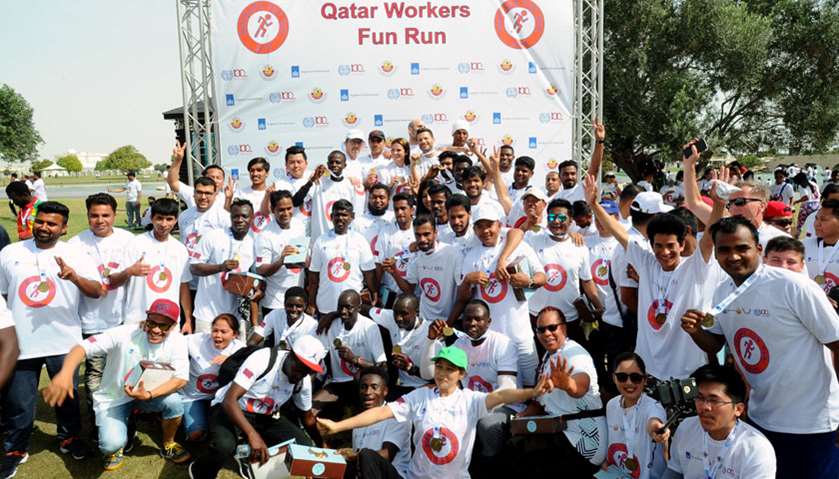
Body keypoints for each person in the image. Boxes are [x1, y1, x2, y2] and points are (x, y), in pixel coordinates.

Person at [682, 216, 839, 478]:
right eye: (724, 249)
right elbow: (716, 342)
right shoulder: (722, 291)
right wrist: (695, 331)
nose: (733, 256)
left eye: (741, 248)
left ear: (758, 249)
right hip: (760, 418)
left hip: (811, 423)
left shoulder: (794, 286)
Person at [317, 345, 553, 479]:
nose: (442, 373)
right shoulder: (420, 396)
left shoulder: (471, 401)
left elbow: (501, 396)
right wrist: (337, 426)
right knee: (367, 457)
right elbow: (379, 413)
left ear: (461, 374)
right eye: (439, 367)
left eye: (449, 369)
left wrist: (531, 392)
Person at [0, 202, 103, 477]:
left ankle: (69, 438)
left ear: (64, 228)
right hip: (20, 343)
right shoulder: (10, 252)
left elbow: (97, 290)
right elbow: (3, 294)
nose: (44, 227)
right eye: (41, 221)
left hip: (63, 341)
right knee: (18, 400)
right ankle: (15, 449)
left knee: (67, 396)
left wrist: (75, 277)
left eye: (52, 223)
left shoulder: (75, 254)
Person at [42, 299, 192, 471]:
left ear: (173, 326)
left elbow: (181, 379)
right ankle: (122, 431)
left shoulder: (178, 341)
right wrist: (65, 373)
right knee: (110, 446)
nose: (156, 330)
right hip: (114, 397)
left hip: (148, 395)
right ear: (146, 318)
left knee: (174, 403)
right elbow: (81, 348)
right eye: (152, 322)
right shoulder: (125, 332)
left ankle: (168, 444)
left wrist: (149, 395)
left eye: (163, 325)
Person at [189, 335, 326, 479]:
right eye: (300, 367)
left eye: (308, 370)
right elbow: (229, 400)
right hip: (232, 409)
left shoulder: (302, 380)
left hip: (264, 415)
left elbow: (307, 417)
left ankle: (253, 466)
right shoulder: (263, 359)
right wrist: (252, 434)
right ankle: (200, 471)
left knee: (303, 447)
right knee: (224, 446)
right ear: (290, 354)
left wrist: (321, 447)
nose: (301, 374)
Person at [506, 307, 607, 477]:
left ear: (564, 328)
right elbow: (540, 403)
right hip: (559, 432)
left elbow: (580, 386)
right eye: (541, 329)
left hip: (584, 442)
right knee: (512, 443)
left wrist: (568, 384)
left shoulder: (575, 354)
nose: (547, 333)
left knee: (522, 454)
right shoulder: (549, 356)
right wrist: (521, 418)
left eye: (552, 327)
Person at [453, 203, 546, 386]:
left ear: (499, 225)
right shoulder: (471, 256)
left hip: (520, 335)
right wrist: (468, 280)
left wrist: (528, 281)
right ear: (474, 229)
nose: (485, 231)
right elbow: (463, 298)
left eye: (490, 225)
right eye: (480, 226)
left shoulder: (518, 246)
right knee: (499, 388)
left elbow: (542, 277)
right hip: (489, 341)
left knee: (532, 385)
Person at [420, 300, 518, 467]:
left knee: (487, 425)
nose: (472, 323)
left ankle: (490, 465)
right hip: (469, 404)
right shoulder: (459, 345)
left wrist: (476, 408)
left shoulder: (502, 343)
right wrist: (430, 340)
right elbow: (427, 374)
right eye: (468, 319)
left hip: (504, 406)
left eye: (478, 319)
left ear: (489, 322)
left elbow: (507, 390)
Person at [68, 193, 136, 428]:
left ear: (114, 215)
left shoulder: (128, 240)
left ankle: (125, 422)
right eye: (94, 215)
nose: (100, 220)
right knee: (95, 375)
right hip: (91, 321)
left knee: (123, 372)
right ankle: (99, 423)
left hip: (123, 320)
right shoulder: (75, 244)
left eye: (105, 215)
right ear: (87, 215)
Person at [662, 365, 776, 479]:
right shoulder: (686, 428)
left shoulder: (756, 449)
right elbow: (673, 473)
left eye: (714, 400)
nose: (704, 407)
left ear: (738, 409)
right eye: (699, 397)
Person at [527, 198, 603, 346]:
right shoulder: (533, 241)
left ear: (571, 220)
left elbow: (586, 280)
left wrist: (598, 306)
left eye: (561, 218)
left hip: (569, 318)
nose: (556, 221)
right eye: (552, 217)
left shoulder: (580, 247)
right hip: (537, 316)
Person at [109, 198, 194, 327]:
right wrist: (130, 271)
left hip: (168, 322)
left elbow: (184, 286)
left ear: (176, 220)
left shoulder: (180, 249)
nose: (164, 224)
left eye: (169, 219)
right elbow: (113, 280)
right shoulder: (135, 243)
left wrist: (187, 319)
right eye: (159, 218)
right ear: (152, 218)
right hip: (137, 320)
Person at [314, 290, 387, 418]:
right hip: (338, 382)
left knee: (361, 415)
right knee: (310, 412)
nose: (343, 311)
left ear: (359, 308)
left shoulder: (369, 327)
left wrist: (355, 360)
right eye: (340, 307)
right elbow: (318, 355)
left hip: (362, 383)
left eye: (348, 307)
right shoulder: (331, 325)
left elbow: (382, 368)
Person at [189, 199, 255, 336]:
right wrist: (220, 267)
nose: (240, 220)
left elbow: (255, 275)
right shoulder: (213, 236)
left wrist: (255, 289)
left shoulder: (253, 242)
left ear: (252, 218)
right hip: (207, 313)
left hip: (236, 315)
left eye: (244, 216)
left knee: (238, 350)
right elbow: (194, 268)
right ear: (230, 217)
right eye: (235, 216)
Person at [335, 367, 410, 479]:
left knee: (365, 455)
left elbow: (387, 455)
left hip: (393, 475)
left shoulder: (397, 416)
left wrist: (354, 456)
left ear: (385, 391)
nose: (367, 392)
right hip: (366, 475)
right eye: (363, 387)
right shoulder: (359, 422)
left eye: (374, 387)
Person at [603, 352, 667, 479]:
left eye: (635, 377)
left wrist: (657, 429)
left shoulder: (654, 407)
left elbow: (654, 422)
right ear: (614, 378)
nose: (629, 383)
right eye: (622, 377)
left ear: (645, 379)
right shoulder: (611, 405)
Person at [307, 200, 377, 316]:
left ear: (352, 217)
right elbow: (313, 277)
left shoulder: (360, 240)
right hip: (326, 306)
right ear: (331, 217)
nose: (340, 218)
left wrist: (374, 293)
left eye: (344, 215)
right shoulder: (321, 241)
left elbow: (369, 273)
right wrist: (311, 303)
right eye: (337, 215)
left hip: (352, 306)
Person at [182, 314, 245, 442]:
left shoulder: (240, 349)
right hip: (193, 397)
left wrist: (230, 360)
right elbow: (174, 341)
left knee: (227, 433)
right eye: (215, 330)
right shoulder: (198, 340)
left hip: (220, 399)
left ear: (235, 334)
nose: (218, 335)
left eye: (224, 332)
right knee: (196, 435)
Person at [293, 150, 365, 242]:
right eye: (331, 162)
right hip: (320, 241)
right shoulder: (318, 182)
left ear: (345, 165)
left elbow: (354, 216)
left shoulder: (350, 185)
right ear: (327, 164)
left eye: (338, 162)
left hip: (343, 241)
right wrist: (312, 180)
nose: (334, 165)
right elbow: (295, 201)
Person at [367, 294, 433, 395]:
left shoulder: (430, 333)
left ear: (416, 311)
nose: (398, 318)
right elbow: (366, 310)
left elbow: (436, 375)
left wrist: (410, 368)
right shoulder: (390, 318)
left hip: (425, 387)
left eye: (404, 313)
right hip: (401, 386)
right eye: (395, 312)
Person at [254, 190, 306, 315]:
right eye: (281, 210)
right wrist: (281, 261)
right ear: (273, 209)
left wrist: (307, 260)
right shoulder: (265, 235)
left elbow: (302, 258)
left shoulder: (299, 225)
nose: (286, 213)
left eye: (289, 208)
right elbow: (261, 270)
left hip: (297, 298)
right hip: (274, 301)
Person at [400, 215, 461, 320]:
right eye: (418, 235)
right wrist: (393, 271)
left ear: (435, 232)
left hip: (449, 320)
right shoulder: (415, 257)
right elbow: (409, 289)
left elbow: (462, 296)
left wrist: (448, 324)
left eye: (426, 234)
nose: (422, 239)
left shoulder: (452, 254)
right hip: (424, 319)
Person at [377, 193, 416, 307]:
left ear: (412, 210)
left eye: (403, 208)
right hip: (390, 292)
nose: (399, 212)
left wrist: (397, 258)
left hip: (414, 293)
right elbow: (380, 263)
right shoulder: (386, 231)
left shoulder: (419, 229)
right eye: (396, 209)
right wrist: (375, 290)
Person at [250, 287, 317, 349]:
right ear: (284, 304)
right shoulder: (274, 315)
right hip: (277, 354)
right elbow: (255, 339)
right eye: (290, 305)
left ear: (305, 306)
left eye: (298, 306)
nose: (294, 309)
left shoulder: (312, 325)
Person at [168, 142, 226, 211]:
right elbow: (173, 182)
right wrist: (178, 160)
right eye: (212, 177)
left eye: (218, 178)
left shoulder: (227, 198)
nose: (215, 180)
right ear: (203, 177)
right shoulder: (192, 193)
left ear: (223, 181)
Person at [353, 183, 394, 256]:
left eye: (381, 197)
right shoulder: (358, 222)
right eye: (374, 197)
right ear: (369, 199)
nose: (378, 200)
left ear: (388, 200)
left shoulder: (394, 218)